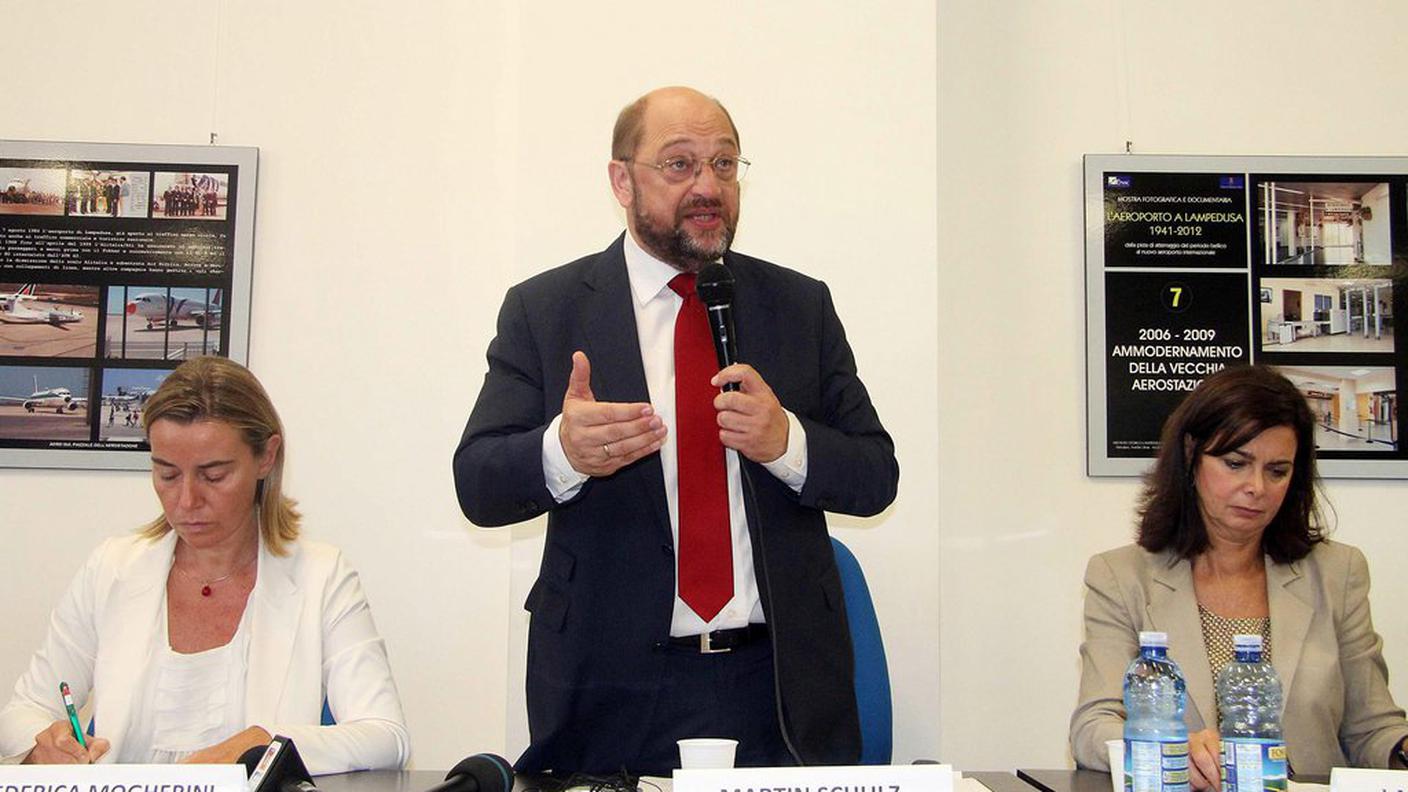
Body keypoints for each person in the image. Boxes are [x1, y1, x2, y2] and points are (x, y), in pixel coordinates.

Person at [452, 86, 898, 776]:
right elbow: (478, 482)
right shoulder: (547, 310)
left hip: (776, 685)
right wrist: (561, 453)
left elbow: (876, 475)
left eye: (724, 164)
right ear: (621, 180)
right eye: (680, 164)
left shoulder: (798, 306)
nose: (707, 186)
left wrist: (788, 443)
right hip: (610, 688)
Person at [0, 356, 409, 773]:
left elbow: (386, 737)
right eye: (167, 475)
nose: (188, 501)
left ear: (266, 457)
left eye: (213, 475)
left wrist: (263, 744)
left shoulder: (322, 576)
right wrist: (42, 744)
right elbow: (24, 711)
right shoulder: (112, 568)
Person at [1070, 365, 1408, 784]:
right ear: (1192, 455)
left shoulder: (1338, 573)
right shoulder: (1122, 576)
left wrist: (1401, 748)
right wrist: (1171, 747)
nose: (1257, 487)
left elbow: (1372, 728)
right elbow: (1093, 727)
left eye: (1277, 471)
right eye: (1236, 463)